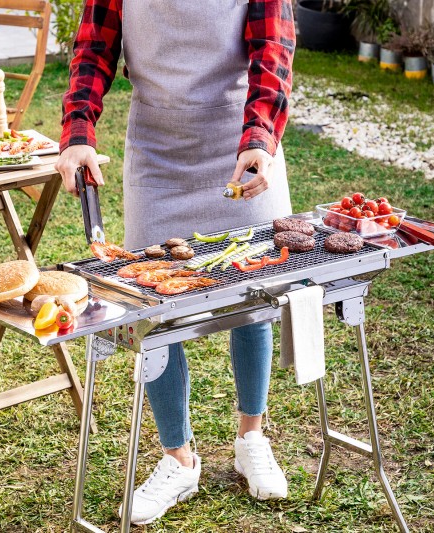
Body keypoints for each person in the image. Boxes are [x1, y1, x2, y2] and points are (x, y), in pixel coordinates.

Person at [55, 0, 296, 525]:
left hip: (238, 144)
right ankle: (177, 458)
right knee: (153, 311)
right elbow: (94, 48)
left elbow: (273, 51)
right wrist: (77, 133)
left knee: (252, 294)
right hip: (157, 155)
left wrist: (260, 138)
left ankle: (251, 436)